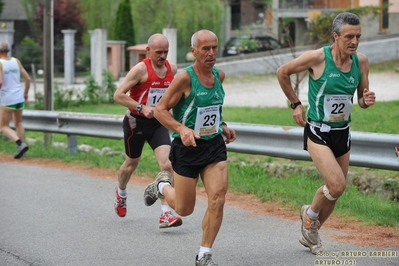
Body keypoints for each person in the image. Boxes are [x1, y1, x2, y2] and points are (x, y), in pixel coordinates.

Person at [276, 12, 376, 255]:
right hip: (318, 131)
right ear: (335, 36)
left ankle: (311, 230)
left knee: (334, 193)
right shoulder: (318, 58)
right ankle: (309, 217)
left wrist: (366, 100)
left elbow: (361, 99)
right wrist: (296, 104)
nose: (354, 41)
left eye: (358, 37)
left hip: (343, 132)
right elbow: (282, 72)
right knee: (336, 184)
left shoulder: (361, 61)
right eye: (349, 36)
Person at [143, 29, 236, 266]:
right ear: (194, 51)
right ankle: (162, 186)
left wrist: (222, 125)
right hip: (187, 148)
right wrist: (182, 129)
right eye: (205, 48)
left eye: (214, 47)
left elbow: (212, 107)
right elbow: (161, 110)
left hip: (214, 145)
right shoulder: (185, 78)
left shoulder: (219, 75)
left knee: (218, 198)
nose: (211, 53)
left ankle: (204, 253)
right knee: (184, 209)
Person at [113, 33, 182, 228]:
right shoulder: (140, 70)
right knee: (131, 163)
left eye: (166, 52)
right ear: (148, 51)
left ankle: (165, 214)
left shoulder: (172, 69)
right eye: (158, 52)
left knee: (168, 165)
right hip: (136, 122)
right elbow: (118, 95)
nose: (163, 55)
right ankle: (121, 192)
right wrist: (141, 108)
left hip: (158, 122)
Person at [0, 41, 31, 159]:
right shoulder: (16, 61)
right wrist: (26, 93)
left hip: (7, 98)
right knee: (18, 123)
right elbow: (27, 78)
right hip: (19, 97)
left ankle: (20, 143)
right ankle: (22, 152)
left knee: (3, 126)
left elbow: (0, 82)